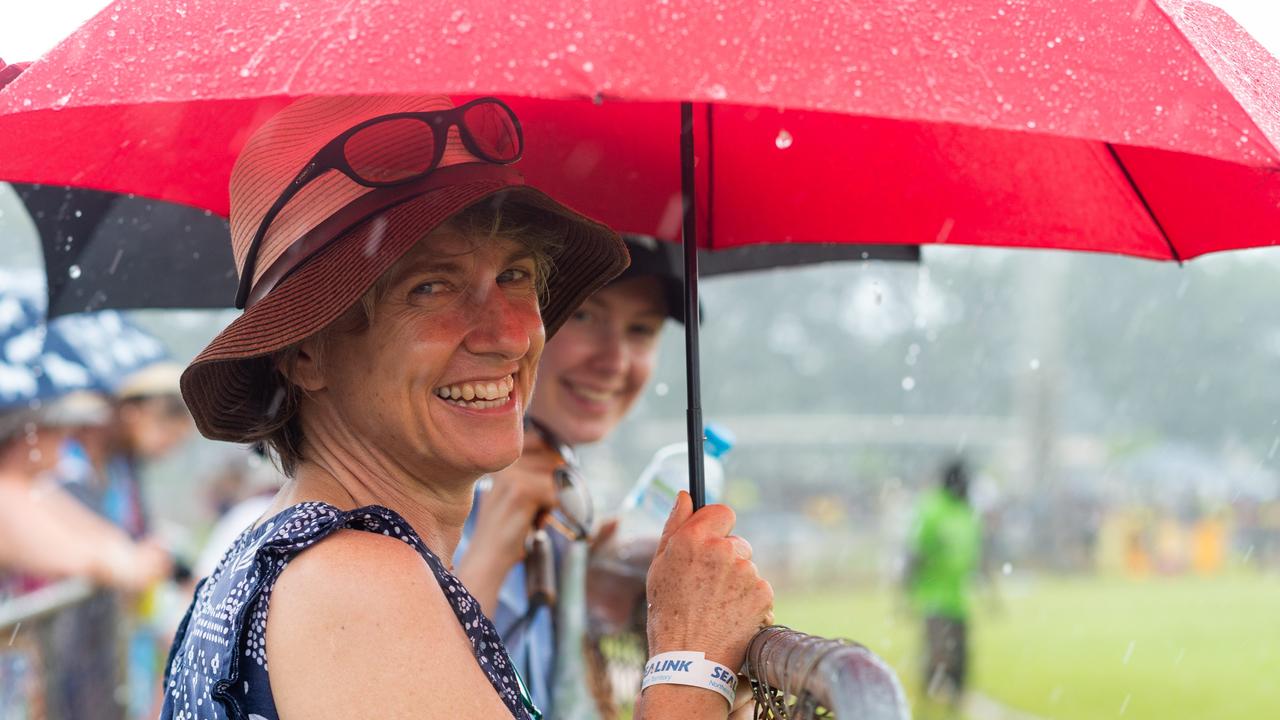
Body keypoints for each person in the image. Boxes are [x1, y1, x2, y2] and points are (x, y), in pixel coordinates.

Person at [162, 94, 771, 720]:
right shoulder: (356, 586)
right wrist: (690, 666)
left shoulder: (296, 558)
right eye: (432, 286)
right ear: (305, 355)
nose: (509, 334)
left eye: (516, 277)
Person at [454, 235, 684, 717]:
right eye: (583, 315)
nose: (614, 362)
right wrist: (491, 552)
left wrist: (597, 573)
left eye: (641, 330)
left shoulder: (564, 503)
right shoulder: (436, 494)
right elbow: (413, 693)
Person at [903, 459, 982, 715]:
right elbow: (916, 552)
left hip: (958, 599)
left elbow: (976, 555)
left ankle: (953, 703)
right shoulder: (932, 510)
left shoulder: (966, 512)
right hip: (933, 597)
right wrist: (906, 591)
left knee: (960, 657)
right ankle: (929, 701)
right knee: (939, 654)